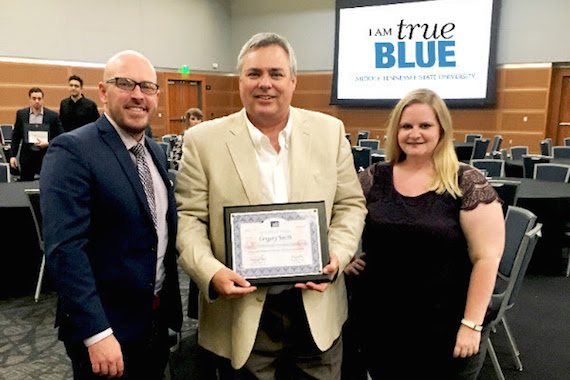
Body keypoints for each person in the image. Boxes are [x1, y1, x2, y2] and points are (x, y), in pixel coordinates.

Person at [175, 32, 367, 379]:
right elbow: (189, 221)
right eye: (254, 74)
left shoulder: (330, 132)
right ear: (240, 81)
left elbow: (351, 205)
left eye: (276, 74)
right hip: (241, 314)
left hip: (316, 311)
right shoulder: (203, 141)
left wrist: (337, 255)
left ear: (293, 81)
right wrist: (211, 272)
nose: (266, 84)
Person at [40, 50, 182, 379]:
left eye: (147, 87)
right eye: (125, 83)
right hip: (106, 332)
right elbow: (65, 249)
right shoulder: (72, 150)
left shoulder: (156, 153)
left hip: (154, 324)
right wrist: (97, 333)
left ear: (157, 96)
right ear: (103, 92)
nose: (137, 94)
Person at [345, 89, 505, 379]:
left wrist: (472, 324)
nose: (414, 134)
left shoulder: (466, 182)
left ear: (442, 130)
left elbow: (487, 258)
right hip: (382, 323)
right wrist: (346, 257)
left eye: (425, 126)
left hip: (446, 326)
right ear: (396, 131)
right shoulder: (374, 177)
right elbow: (338, 218)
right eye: (406, 126)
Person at [9, 87, 63, 181]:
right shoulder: (21, 114)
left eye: (39, 98)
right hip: (27, 158)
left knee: (46, 184)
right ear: (29, 100)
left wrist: (48, 143)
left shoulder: (52, 116)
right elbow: (16, 136)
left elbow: (61, 135)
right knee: (26, 185)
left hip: (45, 157)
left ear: (43, 99)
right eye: (34, 98)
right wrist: (13, 156)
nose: (37, 101)